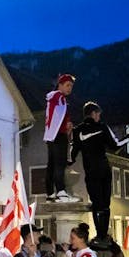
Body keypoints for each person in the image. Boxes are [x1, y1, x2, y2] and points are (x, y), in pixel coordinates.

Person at [69, 101, 129, 240]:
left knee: (96, 204)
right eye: (98, 114)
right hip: (104, 170)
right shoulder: (102, 127)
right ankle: (103, 235)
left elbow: (72, 154)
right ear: (93, 113)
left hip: (90, 172)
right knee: (105, 205)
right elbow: (115, 146)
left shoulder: (77, 131)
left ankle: (99, 235)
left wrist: (65, 162)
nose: (99, 116)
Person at [44, 73, 79, 202]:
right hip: (58, 135)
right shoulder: (58, 97)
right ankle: (61, 191)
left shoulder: (57, 99)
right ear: (60, 85)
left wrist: (67, 124)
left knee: (52, 164)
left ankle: (50, 193)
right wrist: (66, 126)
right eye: (67, 85)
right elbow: (58, 116)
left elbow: (59, 116)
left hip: (51, 135)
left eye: (71, 86)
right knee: (60, 163)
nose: (70, 88)